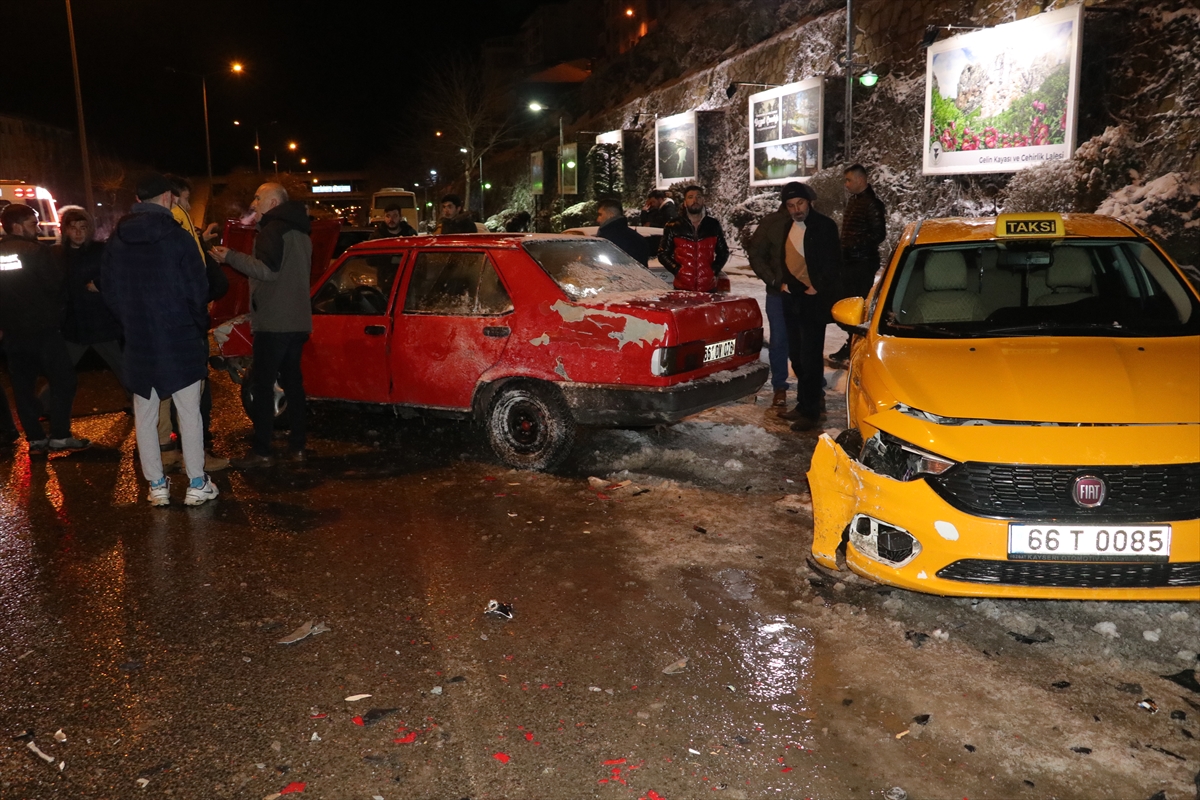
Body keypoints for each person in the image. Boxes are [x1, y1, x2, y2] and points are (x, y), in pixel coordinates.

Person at [102, 173, 216, 505]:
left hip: (139, 338)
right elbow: (198, 290)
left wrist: (129, 321)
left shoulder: (117, 240)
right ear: (167, 198)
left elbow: (109, 288)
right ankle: (197, 482)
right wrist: (196, 325)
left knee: (146, 414)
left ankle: (156, 486)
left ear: (139, 201)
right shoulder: (178, 238)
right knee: (189, 412)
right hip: (179, 336)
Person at [210, 182, 313, 468]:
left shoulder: (272, 230)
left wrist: (230, 256)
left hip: (274, 322)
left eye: (258, 198)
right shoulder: (302, 231)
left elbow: (267, 271)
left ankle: (263, 451)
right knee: (293, 384)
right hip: (298, 321)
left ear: (273, 203)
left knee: (263, 385)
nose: (253, 203)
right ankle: (298, 447)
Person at [748, 181, 842, 431]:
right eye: (791, 205)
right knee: (797, 355)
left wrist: (817, 287)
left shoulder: (824, 226)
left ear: (808, 201)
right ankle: (803, 404)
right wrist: (783, 284)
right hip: (791, 297)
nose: (796, 209)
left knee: (810, 357)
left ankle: (811, 411)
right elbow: (781, 258)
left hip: (813, 300)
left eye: (799, 203)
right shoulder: (787, 225)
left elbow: (833, 262)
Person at [0, 203, 89, 454]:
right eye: (33, 224)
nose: (38, 229)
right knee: (64, 380)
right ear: (17, 226)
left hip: (13, 334)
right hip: (44, 330)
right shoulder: (37, 252)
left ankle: (36, 439)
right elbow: (56, 286)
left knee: (23, 387)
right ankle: (60, 435)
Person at [160, 175, 229, 473]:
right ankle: (196, 457)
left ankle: (167, 453)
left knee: (164, 391)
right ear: (173, 198)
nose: (189, 206)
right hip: (186, 321)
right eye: (187, 199)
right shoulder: (176, 225)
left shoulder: (156, 230)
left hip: (168, 322)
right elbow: (194, 276)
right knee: (194, 392)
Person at [52, 206, 127, 396]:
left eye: (83, 227)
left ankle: (143, 404)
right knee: (61, 373)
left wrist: (99, 284)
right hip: (74, 325)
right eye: (73, 228)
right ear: (65, 230)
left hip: (101, 322)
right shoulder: (57, 255)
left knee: (123, 369)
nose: (78, 233)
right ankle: (44, 406)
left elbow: (118, 273)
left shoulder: (100, 251)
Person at [831, 164, 887, 365]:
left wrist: (854, 244)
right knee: (848, 304)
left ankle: (855, 345)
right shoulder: (856, 201)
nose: (846, 184)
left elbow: (878, 234)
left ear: (860, 180)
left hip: (862, 263)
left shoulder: (871, 203)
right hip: (850, 261)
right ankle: (851, 342)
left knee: (858, 306)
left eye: (849, 180)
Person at [748, 192, 794, 408]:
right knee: (779, 341)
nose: (797, 207)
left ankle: (814, 388)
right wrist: (774, 280)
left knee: (807, 342)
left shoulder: (813, 223)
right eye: (792, 202)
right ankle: (780, 386)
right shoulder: (772, 223)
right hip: (778, 294)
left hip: (807, 294)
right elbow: (756, 254)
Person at [657, 185, 729, 292]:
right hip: (682, 288)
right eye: (690, 197)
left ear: (703, 200)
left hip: (708, 289)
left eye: (698, 197)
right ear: (685, 202)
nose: (695, 200)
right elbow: (662, 253)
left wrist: (713, 270)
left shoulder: (713, 225)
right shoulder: (673, 226)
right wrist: (677, 270)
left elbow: (723, 252)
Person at [595, 198, 650, 267]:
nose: (598, 219)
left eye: (600, 215)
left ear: (611, 214)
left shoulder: (607, 240)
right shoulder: (637, 239)